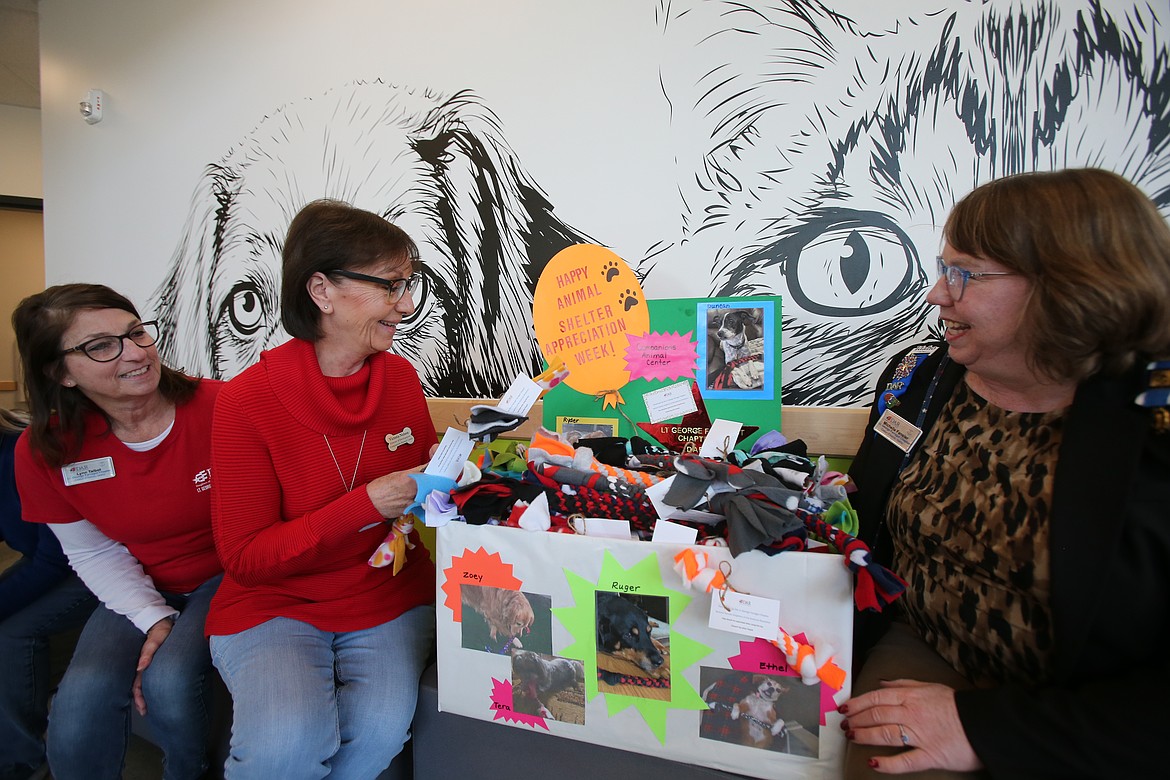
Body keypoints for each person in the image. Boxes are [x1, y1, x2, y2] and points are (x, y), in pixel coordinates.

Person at [839, 168, 1170, 779]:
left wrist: (988, 728)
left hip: (1081, 718)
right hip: (917, 645)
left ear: (1069, 288)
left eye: (966, 273)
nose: (938, 294)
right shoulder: (922, 377)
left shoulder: (1153, 428)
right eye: (944, 268)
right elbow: (869, 515)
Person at [205, 199, 438, 778]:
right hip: (277, 603)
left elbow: (414, 506)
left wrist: (449, 475)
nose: (405, 305)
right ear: (321, 290)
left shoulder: (402, 378)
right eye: (390, 285)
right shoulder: (246, 401)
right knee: (286, 747)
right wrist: (362, 507)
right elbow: (245, 557)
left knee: (379, 734)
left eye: (409, 285)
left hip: (385, 593)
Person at [12, 285, 224, 780]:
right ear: (60, 372)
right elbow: (93, 554)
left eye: (135, 333)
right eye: (101, 346)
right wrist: (152, 617)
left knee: (168, 680)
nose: (134, 353)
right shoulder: (44, 451)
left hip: (230, 571)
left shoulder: (221, 406)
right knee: (78, 710)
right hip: (141, 578)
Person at [1, 407, 98, 780]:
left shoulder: (25, 449)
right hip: (48, 561)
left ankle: (21, 763)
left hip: (93, 563)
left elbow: (56, 559)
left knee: (11, 633)